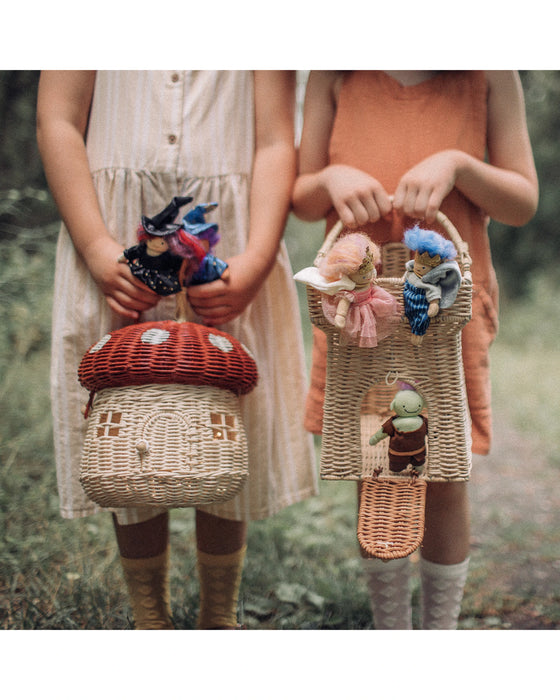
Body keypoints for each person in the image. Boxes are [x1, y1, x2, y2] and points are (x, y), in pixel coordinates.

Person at [37, 70, 318, 630]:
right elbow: (58, 119)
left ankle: (218, 617)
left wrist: (257, 259)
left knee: (219, 414)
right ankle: (150, 618)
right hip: (113, 229)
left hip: (229, 237)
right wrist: (96, 246)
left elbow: (272, 141)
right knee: (129, 415)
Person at [292, 70, 538, 629]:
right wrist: (331, 176)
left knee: (444, 471)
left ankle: (439, 631)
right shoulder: (339, 70)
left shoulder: (488, 74)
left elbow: (524, 200)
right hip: (361, 317)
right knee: (377, 469)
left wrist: (459, 164)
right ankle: (392, 630)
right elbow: (303, 198)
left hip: (444, 312)